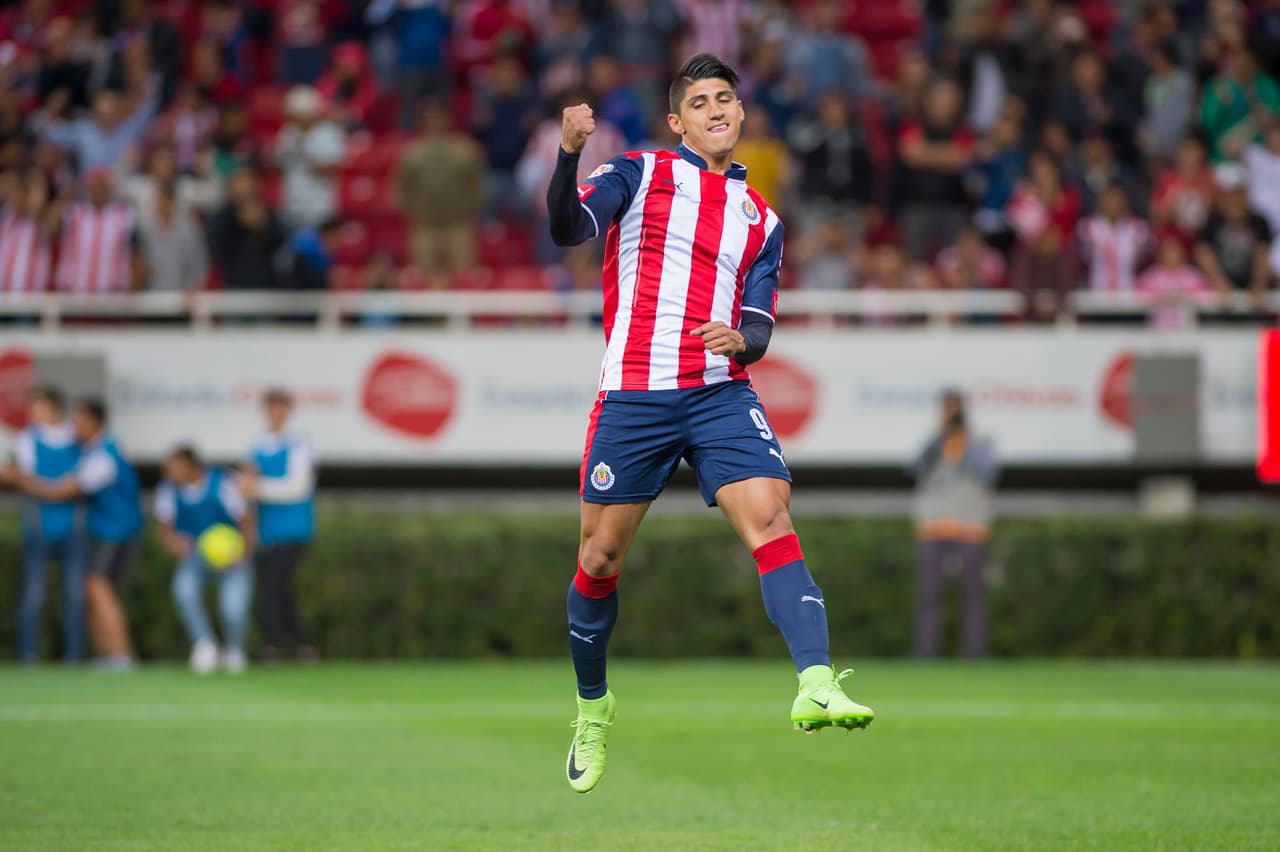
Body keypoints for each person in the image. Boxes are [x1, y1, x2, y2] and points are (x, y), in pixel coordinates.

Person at [547, 53, 874, 795]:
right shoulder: (640, 172)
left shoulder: (763, 220)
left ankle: (816, 681)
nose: (716, 109)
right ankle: (592, 709)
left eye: (725, 97)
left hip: (719, 390)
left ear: (740, 113)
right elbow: (568, 226)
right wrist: (570, 155)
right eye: (700, 101)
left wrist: (743, 342)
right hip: (635, 391)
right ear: (678, 121)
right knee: (598, 558)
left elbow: (758, 323)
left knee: (770, 514)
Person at [4, 399, 145, 669]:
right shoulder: (90, 451)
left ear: (94, 422)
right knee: (93, 588)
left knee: (98, 588)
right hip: (104, 531)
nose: (74, 426)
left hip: (117, 532)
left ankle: (122, 654)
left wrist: (22, 479)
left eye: (79, 420)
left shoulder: (104, 455)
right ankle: (107, 654)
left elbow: (61, 491)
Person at [911, 389, 999, 659]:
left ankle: (976, 654)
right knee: (929, 595)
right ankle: (925, 655)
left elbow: (989, 473)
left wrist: (965, 443)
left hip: (970, 528)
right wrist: (941, 438)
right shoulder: (932, 442)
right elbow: (914, 468)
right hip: (934, 527)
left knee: (972, 596)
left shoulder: (980, 442)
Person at [155, 445, 256, 674]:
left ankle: (235, 650)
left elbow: (247, 521)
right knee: (183, 591)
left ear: (192, 467)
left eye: (176, 467)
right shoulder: (168, 491)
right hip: (196, 555)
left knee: (233, 608)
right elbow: (164, 532)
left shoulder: (223, 484)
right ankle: (205, 644)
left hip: (233, 557)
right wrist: (175, 543)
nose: (170, 472)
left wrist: (243, 553)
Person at [4, 387, 85, 664]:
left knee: (74, 594)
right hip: (38, 525)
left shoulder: (76, 438)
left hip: (72, 526)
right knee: (33, 593)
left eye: (37, 407)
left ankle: (74, 654)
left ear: (53, 408)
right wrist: (57, 489)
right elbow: (20, 477)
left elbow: (81, 480)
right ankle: (29, 654)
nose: (32, 413)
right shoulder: (28, 438)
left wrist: (42, 486)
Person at [241, 389, 317, 661]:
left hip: (294, 529)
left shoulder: (299, 444)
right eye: (271, 408)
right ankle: (299, 644)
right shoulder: (258, 445)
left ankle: (272, 645)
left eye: (280, 409)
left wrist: (256, 487)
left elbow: (297, 487)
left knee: (275, 584)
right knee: (278, 588)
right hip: (268, 531)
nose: (275, 414)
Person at [396, 102, 485, 278]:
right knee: (423, 277)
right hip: (425, 225)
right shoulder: (412, 153)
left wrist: (468, 209)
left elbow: (477, 184)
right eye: (431, 118)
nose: (436, 123)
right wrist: (416, 211)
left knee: (464, 276)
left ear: (448, 120)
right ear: (423, 122)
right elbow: (402, 188)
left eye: (439, 118)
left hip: (458, 224)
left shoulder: (465, 150)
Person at [274, 85, 345, 230]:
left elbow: (332, 169)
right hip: (292, 205)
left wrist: (305, 158)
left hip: (319, 208)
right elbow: (278, 164)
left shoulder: (329, 133)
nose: (293, 119)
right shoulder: (288, 133)